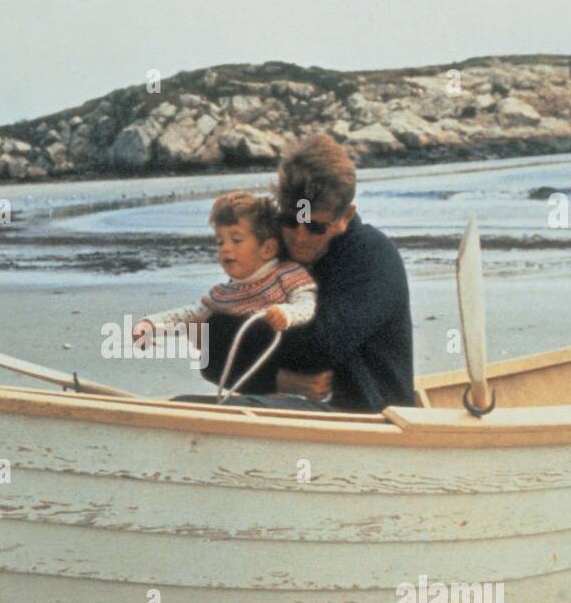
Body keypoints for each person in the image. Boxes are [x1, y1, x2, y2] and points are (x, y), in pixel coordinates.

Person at [177, 135, 415, 412]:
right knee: (183, 406)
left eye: (315, 227)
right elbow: (211, 356)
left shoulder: (372, 256)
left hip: (370, 415)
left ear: (346, 216)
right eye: (290, 221)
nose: (300, 237)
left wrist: (224, 327)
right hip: (296, 406)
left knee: (186, 408)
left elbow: (318, 347)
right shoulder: (272, 249)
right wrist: (279, 379)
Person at [133, 191, 316, 394]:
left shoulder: (286, 275)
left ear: (268, 249)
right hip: (251, 380)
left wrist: (288, 313)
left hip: (295, 373)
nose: (225, 248)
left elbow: (307, 304)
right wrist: (151, 324)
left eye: (236, 240)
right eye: (220, 242)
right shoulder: (226, 293)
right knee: (212, 327)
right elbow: (190, 314)